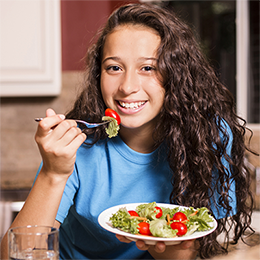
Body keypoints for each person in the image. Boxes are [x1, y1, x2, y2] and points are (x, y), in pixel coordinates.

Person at [0, 3, 256, 260]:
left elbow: (188, 253)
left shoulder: (209, 137)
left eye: (148, 68)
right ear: (98, 74)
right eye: (114, 68)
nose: (127, 87)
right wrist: (52, 173)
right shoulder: (77, 145)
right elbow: (13, 256)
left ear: (177, 75)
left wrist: (161, 243)